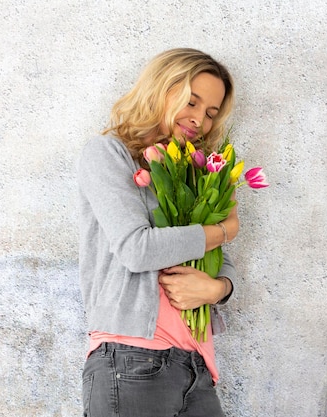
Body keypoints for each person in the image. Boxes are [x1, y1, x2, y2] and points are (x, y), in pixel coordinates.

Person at [78, 48, 238, 417]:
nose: (199, 120)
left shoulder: (191, 174)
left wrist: (219, 289)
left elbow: (216, 258)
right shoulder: (108, 154)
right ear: (161, 89)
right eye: (192, 102)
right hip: (131, 357)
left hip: (195, 367)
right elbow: (137, 249)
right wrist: (225, 229)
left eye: (211, 113)